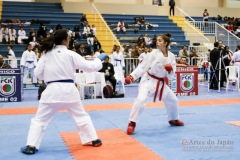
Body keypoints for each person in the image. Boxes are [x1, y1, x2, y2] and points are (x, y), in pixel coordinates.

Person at [20, 30, 106, 155]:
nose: (70, 40)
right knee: (81, 115)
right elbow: (89, 66)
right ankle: (94, 139)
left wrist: (49, 75)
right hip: (70, 90)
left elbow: (37, 73)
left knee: (40, 120)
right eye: (68, 38)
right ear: (65, 40)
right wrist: (99, 60)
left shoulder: (46, 55)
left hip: (52, 90)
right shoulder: (70, 54)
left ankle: (31, 146)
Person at [125, 33, 184, 135]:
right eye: (157, 40)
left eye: (160, 40)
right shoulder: (153, 53)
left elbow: (171, 74)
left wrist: (170, 70)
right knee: (140, 100)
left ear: (166, 43)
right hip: (148, 80)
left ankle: (173, 119)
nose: (157, 42)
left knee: (173, 100)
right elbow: (143, 66)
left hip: (161, 82)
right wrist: (132, 76)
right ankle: (132, 123)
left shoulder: (171, 56)